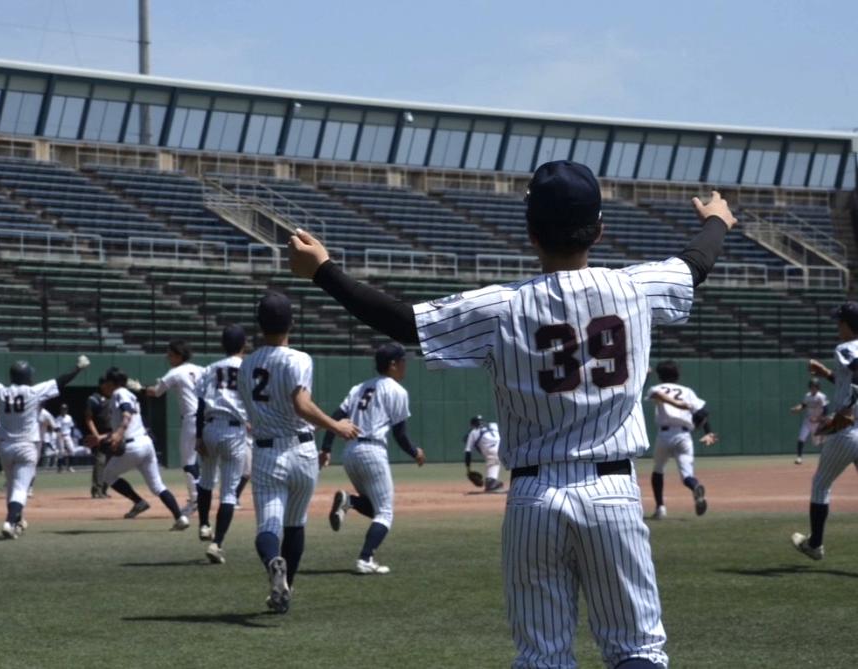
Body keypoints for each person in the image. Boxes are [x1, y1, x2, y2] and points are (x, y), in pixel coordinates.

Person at [289, 161, 738, 667]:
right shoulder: (635, 287)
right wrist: (717, 220)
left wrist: (324, 271)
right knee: (636, 649)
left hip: (533, 498)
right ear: (599, 230)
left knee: (542, 657)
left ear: (531, 234)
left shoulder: (501, 308)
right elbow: (696, 262)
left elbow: (402, 321)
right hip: (612, 490)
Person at [238, 291, 358, 613]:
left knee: (269, 527)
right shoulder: (299, 358)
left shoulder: (246, 364)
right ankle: (285, 589)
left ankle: (273, 564)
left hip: (267, 453)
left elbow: (263, 411)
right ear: (292, 322)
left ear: (259, 324)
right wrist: (336, 426)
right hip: (303, 452)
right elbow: (301, 405)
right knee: (295, 524)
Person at [323, 343, 425, 575]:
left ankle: (349, 501)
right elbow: (400, 434)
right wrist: (415, 452)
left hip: (350, 452)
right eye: (403, 361)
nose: (405, 365)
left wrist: (326, 448)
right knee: (385, 513)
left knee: (374, 507)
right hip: (372, 451)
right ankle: (365, 559)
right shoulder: (397, 390)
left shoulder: (359, 388)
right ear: (393, 364)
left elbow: (336, 418)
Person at [0, 354, 88, 538]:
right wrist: (78, 369)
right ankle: (10, 522)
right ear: (27, 376)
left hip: (5, 447)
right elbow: (60, 382)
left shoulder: (1, 391)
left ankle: (17, 520)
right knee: (20, 488)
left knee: (12, 487)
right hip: (27, 446)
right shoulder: (34, 392)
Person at [792, 303, 858, 560]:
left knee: (821, 485)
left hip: (846, 428)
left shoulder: (846, 347)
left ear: (848, 324)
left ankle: (815, 544)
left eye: (839, 321)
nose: (837, 326)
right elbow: (848, 381)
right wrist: (827, 373)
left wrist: (848, 406)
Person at [100, 366, 191, 530]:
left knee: (108, 475)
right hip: (145, 444)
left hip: (132, 446)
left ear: (112, 383)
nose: (104, 384)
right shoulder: (127, 394)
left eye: (106, 381)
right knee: (158, 486)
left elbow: (127, 413)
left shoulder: (119, 393)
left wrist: (119, 431)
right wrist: (101, 438)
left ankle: (138, 501)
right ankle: (180, 517)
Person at [194, 325, 250, 564]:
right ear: (244, 345)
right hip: (234, 431)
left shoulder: (210, 368)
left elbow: (199, 405)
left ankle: (204, 524)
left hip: (210, 426)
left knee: (206, 480)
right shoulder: (249, 368)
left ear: (222, 345)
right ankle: (216, 544)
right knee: (228, 493)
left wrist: (198, 436)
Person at [646, 361, 717, 520]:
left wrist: (646, 375)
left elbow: (648, 394)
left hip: (664, 435)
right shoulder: (687, 391)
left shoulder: (656, 388)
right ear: (677, 375)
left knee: (658, 470)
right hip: (684, 436)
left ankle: (660, 508)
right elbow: (702, 412)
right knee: (687, 475)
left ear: (659, 375)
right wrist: (709, 432)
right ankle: (695, 486)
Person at [146, 340, 204, 511]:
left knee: (188, 462)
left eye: (170, 355)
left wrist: (141, 388)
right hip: (209, 416)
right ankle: (202, 496)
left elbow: (156, 392)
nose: (168, 357)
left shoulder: (175, 372)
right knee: (207, 461)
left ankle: (196, 499)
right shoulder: (201, 369)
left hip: (192, 418)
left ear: (179, 355)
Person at [84, 376, 112, 498]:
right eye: (108, 384)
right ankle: (97, 490)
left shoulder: (113, 397)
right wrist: (96, 435)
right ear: (102, 385)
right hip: (100, 433)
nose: (110, 387)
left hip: (112, 434)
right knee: (100, 461)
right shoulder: (94, 398)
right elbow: (88, 418)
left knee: (111, 463)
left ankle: (104, 489)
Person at [790, 379, 828, 464]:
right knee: (801, 437)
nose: (813, 388)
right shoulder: (807, 396)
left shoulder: (821, 396)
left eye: (814, 386)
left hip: (817, 422)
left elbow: (825, 410)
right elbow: (803, 405)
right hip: (808, 421)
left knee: (817, 442)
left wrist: (818, 419)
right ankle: (799, 457)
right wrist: (797, 408)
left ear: (818, 387)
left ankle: (826, 456)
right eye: (811, 386)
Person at [463, 415, 504, 493]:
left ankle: (491, 482)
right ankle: (491, 480)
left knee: (493, 461)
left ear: (473, 425)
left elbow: (468, 452)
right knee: (495, 462)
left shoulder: (473, 432)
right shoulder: (494, 425)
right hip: (503, 448)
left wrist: (468, 470)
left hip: (491, 451)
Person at [56, 404, 76, 473]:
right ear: (60, 410)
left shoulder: (69, 417)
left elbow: (72, 427)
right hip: (60, 435)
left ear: (67, 410)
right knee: (61, 452)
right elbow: (57, 428)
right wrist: (59, 435)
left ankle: (70, 467)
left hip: (68, 435)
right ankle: (60, 468)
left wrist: (72, 436)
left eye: (65, 409)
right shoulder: (58, 418)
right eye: (62, 409)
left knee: (72, 450)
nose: (64, 410)